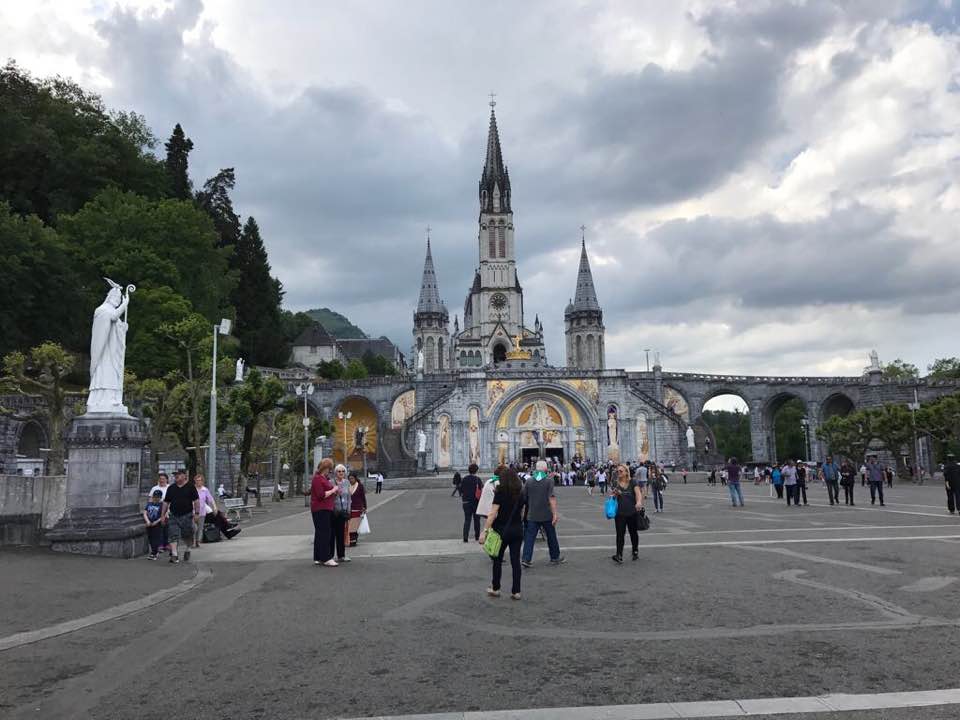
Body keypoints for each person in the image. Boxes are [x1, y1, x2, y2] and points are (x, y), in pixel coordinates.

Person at [479, 467, 527, 600]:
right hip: (517, 529)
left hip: (501, 530)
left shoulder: (500, 493)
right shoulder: (521, 493)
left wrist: (485, 531)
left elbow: (493, 513)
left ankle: (496, 588)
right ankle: (516, 591)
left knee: (497, 560)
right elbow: (522, 513)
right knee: (515, 561)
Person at [520, 460, 565, 567]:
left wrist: (522, 513)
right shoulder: (549, 481)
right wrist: (554, 514)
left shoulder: (529, 481)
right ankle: (555, 557)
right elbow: (551, 498)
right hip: (547, 514)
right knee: (551, 536)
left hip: (532, 515)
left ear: (535, 469)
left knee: (529, 537)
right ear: (545, 469)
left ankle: (526, 559)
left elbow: (523, 498)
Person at [161, 469, 200, 564]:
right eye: (175, 475)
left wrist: (197, 513)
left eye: (178, 475)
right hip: (174, 515)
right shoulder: (171, 488)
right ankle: (174, 555)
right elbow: (166, 502)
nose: (176, 476)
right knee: (172, 534)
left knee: (187, 534)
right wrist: (162, 515)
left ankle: (188, 549)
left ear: (184, 476)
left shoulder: (191, 487)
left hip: (187, 515)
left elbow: (196, 501)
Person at [609, 463, 644, 563]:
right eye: (617, 471)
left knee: (633, 533)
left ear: (626, 472)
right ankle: (619, 555)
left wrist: (638, 502)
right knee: (620, 534)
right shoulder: (616, 483)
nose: (618, 473)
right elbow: (612, 497)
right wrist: (614, 494)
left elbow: (638, 493)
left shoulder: (633, 482)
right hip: (619, 513)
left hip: (632, 512)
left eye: (620, 471)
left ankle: (635, 551)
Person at [310, 458, 339, 566]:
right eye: (329, 468)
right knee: (325, 533)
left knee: (320, 533)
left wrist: (334, 491)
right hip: (321, 509)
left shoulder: (323, 478)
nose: (330, 471)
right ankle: (326, 557)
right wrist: (333, 490)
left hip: (325, 508)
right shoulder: (318, 479)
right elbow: (321, 495)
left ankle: (318, 557)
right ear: (325, 468)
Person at [332, 464, 352, 562]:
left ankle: (341, 555)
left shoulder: (347, 482)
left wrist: (348, 510)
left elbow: (349, 497)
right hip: (334, 511)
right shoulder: (331, 482)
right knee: (332, 534)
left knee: (341, 534)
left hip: (343, 512)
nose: (341, 473)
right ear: (335, 473)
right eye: (339, 471)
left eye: (343, 471)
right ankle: (329, 556)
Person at [459, 464, 483, 543]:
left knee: (467, 520)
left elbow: (461, 490)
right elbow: (481, 490)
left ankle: (465, 538)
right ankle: (477, 536)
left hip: (466, 502)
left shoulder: (465, 479)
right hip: (476, 502)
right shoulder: (478, 479)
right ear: (476, 470)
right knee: (477, 520)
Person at [149, 472, 171, 551]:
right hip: (157, 509)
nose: (162, 480)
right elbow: (150, 500)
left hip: (168, 509)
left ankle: (167, 544)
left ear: (167, 480)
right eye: (160, 479)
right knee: (159, 528)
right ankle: (160, 545)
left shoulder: (170, 487)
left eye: (163, 479)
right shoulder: (154, 488)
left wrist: (168, 510)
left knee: (167, 527)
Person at [347, 472, 367, 547]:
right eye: (349, 479)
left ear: (355, 478)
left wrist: (364, 507)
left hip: (358, 508)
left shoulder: (360, 486)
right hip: (349, 508)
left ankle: (353, 540)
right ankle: (352, 540)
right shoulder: (348, 486)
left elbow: (363, 497)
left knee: (354, 525)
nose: (350, 480)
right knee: (350, 525)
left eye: (352, 478)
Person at [143, 489, 164, 559]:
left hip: (157, 524)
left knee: (156, 538)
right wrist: (147, 521)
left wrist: (156, 522)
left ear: (160, 497)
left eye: (158, 497)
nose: (156, 498)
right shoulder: (149, 504)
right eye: (155, 497)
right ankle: (154, 551)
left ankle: (154, 553)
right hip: (149, 523)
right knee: (150, 538)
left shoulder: (162, 505)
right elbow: (145, 513)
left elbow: (162, 515)